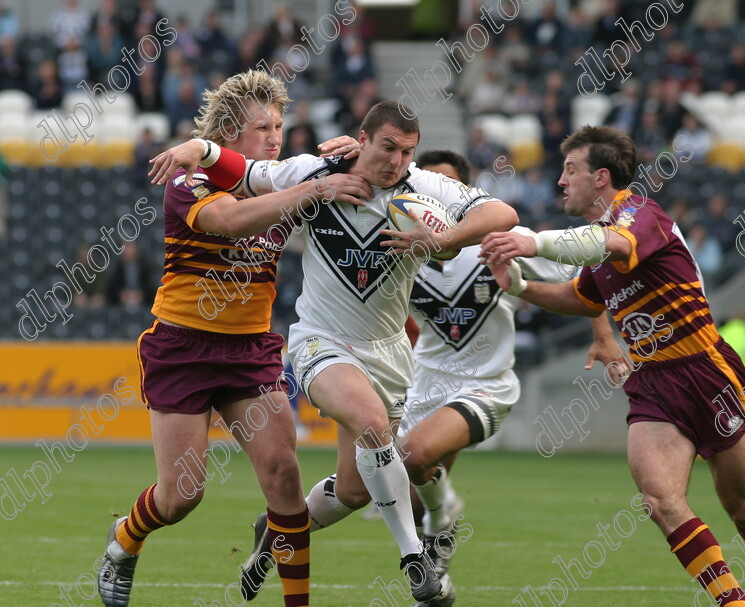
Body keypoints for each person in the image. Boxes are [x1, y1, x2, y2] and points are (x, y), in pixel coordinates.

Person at [148, 101, 519, 603]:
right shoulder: (315, 172)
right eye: (387, 147)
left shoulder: (423, 187)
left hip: (387, 352)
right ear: (362, 139)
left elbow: (503, 212)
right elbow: (243, 170)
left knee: (353, 489)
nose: (396, 160)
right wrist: (201, 147)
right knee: (372, 425)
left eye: (406, 151)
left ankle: (271, 537)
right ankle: (415, 557)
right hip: (320, 340)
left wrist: (441, 238)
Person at [237, 150, 622, 607]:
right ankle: (288, 526)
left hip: (485, 385)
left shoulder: (494, 240)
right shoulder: (398, 241)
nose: (423, 208)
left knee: (412, 457)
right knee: (357, 490)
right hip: (418, 384)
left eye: (440, 197)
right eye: (419, 192)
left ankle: (439, 529)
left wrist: (602, 335)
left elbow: (585, 275)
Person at [480, 125, 745, 607]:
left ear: (601, 177)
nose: (561, 181)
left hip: (706, 370)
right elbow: (580, 298)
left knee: (744, 509)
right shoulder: (598, 246)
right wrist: (519, 286)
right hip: (653, 382)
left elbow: (617, 246)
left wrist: (534, 244)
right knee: (660, 501)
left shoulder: (639, 214)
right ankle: (734, 602)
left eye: (570, 170)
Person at [96, 69, 372, 607]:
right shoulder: (189, 179)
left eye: (279, 125)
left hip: (249, 350)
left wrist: (353, 152)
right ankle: (123, 542)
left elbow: (380, 165)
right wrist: (315, 187)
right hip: (183, 349)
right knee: (181, 497)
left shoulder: (285, 178)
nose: (275, 137)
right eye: (262, 127)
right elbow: (231, 220)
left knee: (284, 475)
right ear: (227, 132)